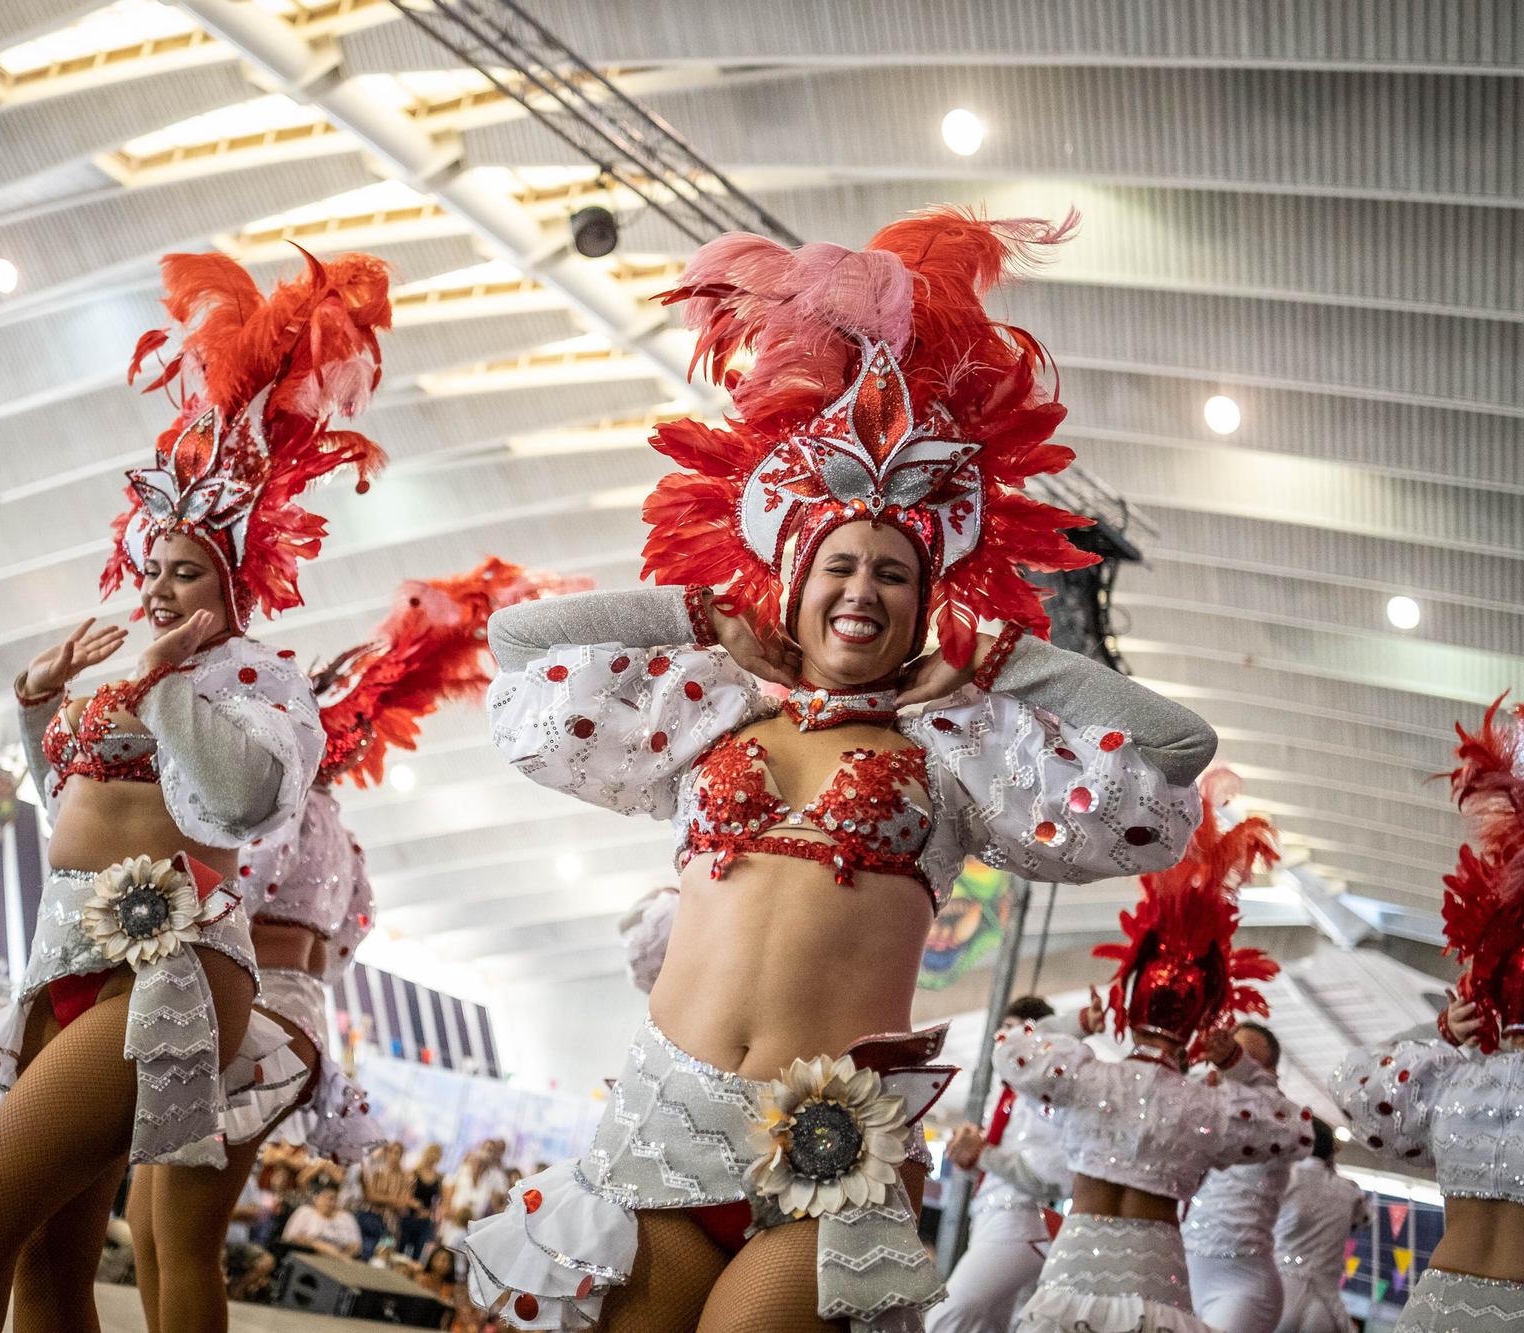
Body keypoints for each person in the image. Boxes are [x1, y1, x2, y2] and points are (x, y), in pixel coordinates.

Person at [463, 211, 1215, 1333]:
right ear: (793, 575)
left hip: (826, 1148)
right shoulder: (707, 711)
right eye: (838, 565)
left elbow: (1174, 753)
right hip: (662, 1121)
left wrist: (998, 660)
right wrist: (693, 615)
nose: (861, 591)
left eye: (894, 576)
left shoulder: (958, 753)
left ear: (927, 599)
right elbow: (518, 644)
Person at [0, 246, 386, 1333]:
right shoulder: (121, 664)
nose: (164, 588)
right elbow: (62, 804)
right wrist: (37, 701)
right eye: (155, 566)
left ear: (235, 574)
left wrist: (166, 686)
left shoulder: (257, 676)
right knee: (43, 1257)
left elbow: (239, 804)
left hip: (170, 967)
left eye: (191, 570)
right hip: (62, 950)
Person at [124, 556, 578, 1331]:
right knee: (155, 1224)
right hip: (288, 1012)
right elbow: (345, 942)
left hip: (248, 1010)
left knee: (177, 1235)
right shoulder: (341, 834)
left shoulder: (280, 811)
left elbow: (230, 890)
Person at [1000, 785, 1308, 1333]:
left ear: (1131, 995)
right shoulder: (1207, 1106)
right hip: (1156, 1279)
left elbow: (1011, 1047)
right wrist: (1238, 1064)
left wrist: (1081, 1025)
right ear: (1204, 1017)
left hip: (1071, 1273)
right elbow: (1296, 1131)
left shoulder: (1085, 1074)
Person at [1331, 696, 1524, 1330]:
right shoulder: (1459, 1073)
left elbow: (1364, 1092)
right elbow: (1358, 1089)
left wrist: (1444, 1038)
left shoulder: (1460, 1080)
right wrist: (1444, 1033)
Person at [925, 997, 1074, 1333]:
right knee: (991, 1326)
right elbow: (998, 1169)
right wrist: (968, 1158)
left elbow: (1050, 1179)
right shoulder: (1005, 1096)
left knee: (947, 1318)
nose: (1001, 1039)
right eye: (1001, 1029)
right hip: (990, 1218)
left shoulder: (1045, 1097)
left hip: (1017, 1223)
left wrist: (982, 1153)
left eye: (1011, 1029)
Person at [1184, 1020, 1293, 1333]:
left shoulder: (1280, 1120)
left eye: (1247, 1058)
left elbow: (1266, 1106)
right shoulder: (1203, 1106)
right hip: (1185, 1271)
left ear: (1270, 1073)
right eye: (1229, 1053)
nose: (1234, 1062)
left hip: (1242, 1286)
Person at [1271, 1120, 1367, 1333]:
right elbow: (1365, 1219)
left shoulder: (1285, 1177)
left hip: (1281, 1292)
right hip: (1326, 1302)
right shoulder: (1350, 1190)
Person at [281, 1183, 362, 1259]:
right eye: (325, 1198)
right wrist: (320, 1246)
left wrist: (341, 1257)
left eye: (333, 1199)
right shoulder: (305, 1212)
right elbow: (290, 1237)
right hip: (306, 1255)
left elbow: (356, 1246)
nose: (329, 1203)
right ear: (316, 1198)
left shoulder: (347, 1217)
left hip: (338, 1261)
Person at [402, 1143, 444, 1261]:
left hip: (425, 1219)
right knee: (401, 1250)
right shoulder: (414, 1172)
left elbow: (439, 1201)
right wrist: (414, 1204)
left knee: (417, 1254)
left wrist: (430, 1213)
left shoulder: (438, 1177)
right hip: (410, 1216)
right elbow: (405, 1195)